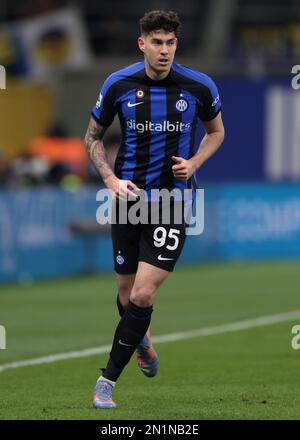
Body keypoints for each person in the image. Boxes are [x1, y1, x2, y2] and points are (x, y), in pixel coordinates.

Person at [84, 10, 225, 409]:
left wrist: (195, 163)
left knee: (143, 294)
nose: (164, 51)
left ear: (176, 45)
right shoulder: (118, 84)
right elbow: (92, 137)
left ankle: (106, 383)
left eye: (171, 43)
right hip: (128, 199)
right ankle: (141, 339)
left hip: (172, 201)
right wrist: (110, 180)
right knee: (127, 295)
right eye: (157, 42)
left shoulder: (198, 86)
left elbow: (217, 132)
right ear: (142, 43)